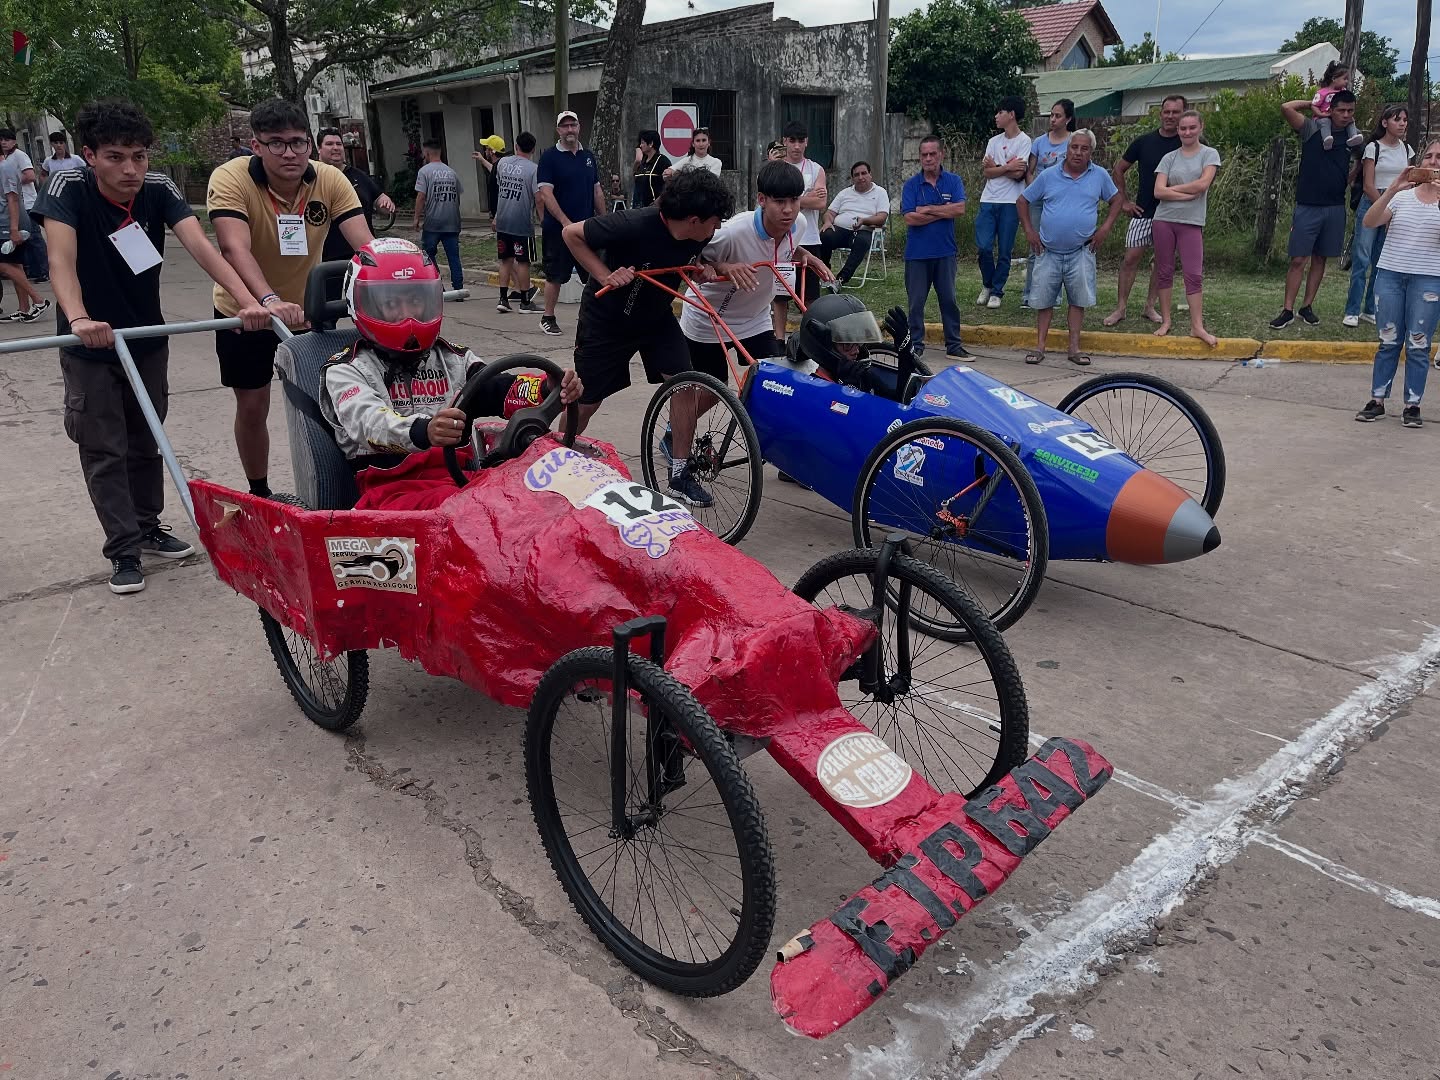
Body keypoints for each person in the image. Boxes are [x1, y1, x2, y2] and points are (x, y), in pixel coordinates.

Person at [34, 99, 271, 594]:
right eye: (116, 156)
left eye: (139, 156)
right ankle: (122, 548)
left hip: (146, 338)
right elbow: (61, 259)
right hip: (90, 344)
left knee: (147, 439)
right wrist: (78, 317)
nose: (130, 169)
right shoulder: (67, 188)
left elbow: (204, 248)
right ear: (89, 155)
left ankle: (146, 526)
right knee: (104, 447)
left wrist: (250, 302)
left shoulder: (159, 188)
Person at [322, 239, 582, 511]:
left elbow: (499, 389)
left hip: (458, 485)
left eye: (415, 301)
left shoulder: (453, 359)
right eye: (391, 303)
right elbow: (368, 423)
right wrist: (425, 431)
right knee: (493, 509)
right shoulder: (346, 370)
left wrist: (548, 387)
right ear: (362, 304)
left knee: (546, 493)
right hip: (391, 496)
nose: (407, 313)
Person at [206, 97, 371, 498]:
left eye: (298, 142)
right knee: (252, 404)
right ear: (256, 146)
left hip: (308, 312)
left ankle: (341, 488)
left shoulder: (329, 179)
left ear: (311, 145)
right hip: (246, 312)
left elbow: (366, 245)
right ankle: (259, 491)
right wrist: (265, 300)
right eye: (276, 143)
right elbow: (234, 248)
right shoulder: (231, 178)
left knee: (333, 401)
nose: (289, 152)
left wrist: (404, 277)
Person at [561, 167, 733, 506]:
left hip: (655, 317)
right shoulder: (635, 223)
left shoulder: (700, 234)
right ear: (694, 219)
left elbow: (686, 258)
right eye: (714, 222)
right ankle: (549, 453)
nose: (717, 229)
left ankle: (680, 475)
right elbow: (571, 234)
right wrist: (605, 274)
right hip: (607, 321)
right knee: (587, 401)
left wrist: (701, 269)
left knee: (684, 384)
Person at [681, 160, 832, 380]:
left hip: (754, 319)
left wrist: (806, 255)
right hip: (710, 320)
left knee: (773, 380)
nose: (788, 209)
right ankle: (677, 416)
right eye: (779, 201)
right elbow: (690, 256)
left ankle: (742, 415)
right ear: (762, 199)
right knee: (714, 388)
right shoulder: (732, 232)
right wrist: (722, 266)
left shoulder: (798, 224)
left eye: (794, 200)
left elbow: (781, 245)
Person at [1017, 129, 1124, 367]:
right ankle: (1039, 347)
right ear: (1067, 148)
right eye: (1074, 147)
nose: (1078, 152)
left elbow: (1117, 200)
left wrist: (1105, 228)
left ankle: (1074, 348)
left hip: (1081, 251)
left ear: (1091, 152)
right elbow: (1022, 200)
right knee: (1044, 301)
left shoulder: (1099, 176)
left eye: (1084, 148)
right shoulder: (1049, 175)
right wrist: (1029, 231)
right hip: (1048, 251)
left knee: (1078, 301)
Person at [1352, 148, 1440, 429]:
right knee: (1388, 339)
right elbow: (1370, 221)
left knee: (1418, 343)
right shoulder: (1401, 197)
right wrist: (1392, 188)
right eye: (1429, 157)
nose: (1433, 163)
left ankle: (1412, 405)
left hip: (1428, 279)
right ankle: (1377, 400)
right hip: (1390, 275)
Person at [1270, 89, 1357, 329]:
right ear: (1332, 110)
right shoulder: (1313, 128)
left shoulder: (1353, 138)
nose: (1346, 115)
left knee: (1320, 259)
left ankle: (1307, 306)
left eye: (1350, 111)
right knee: (1298, 259)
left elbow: (1364, 162)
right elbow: (1286, 107)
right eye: (1341, 110)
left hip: (1335, 207)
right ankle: (1287, 309)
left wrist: (1350, 176)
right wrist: (1314, 104)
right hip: (1308, 205)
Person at [1102, 95, 1185, 327]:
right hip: (1143, 212)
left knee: (1162, 261)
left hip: (1173, 214)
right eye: (1166, 111)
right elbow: (1119, 169)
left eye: (1175, 112)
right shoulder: (1144, 142)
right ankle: (1120, 308)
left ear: (1183, 114)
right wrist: (1124, 201)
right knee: (1130, 259)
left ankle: (1150, 306)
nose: (1170, 116)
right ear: (1160, 114)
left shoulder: (1188, 143)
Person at [1151, 110, 1222, 346]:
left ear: (1201, 127)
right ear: (1178, 131)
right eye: (1183, 128)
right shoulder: (1169, 158)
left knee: (1193, 274)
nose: (1187, 132)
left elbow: (1203, 185)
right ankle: (1166, 321)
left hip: (1191, 223)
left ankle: (1197, 326)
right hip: (1164, 220)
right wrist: (1184, 195)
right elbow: (1158, 191)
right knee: (1164, 270)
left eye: (1192, 127)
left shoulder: (1209, 154)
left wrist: (1174, 191)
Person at [535, 110, 604, 337]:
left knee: (593, 273)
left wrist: (604, 221)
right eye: (564, 126)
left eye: (572, 125)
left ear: (579, 126)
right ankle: (548, 317)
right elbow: (545, 194)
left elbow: (596, 191)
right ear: (558, 130)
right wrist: (565, 222)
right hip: (558, 230)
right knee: (555, 275)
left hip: (587, 229)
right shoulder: (549, 158)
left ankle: (594, 317)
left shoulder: (588, 157)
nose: (569, 130)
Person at [901, 134, 969, 361]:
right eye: (924, 155)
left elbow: (959, 210)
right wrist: (943, 210)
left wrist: (927, 210)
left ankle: (954, 345)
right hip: (917, 254)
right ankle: (916, 345)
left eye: (932, 154)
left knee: (949, 300)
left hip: (945, 252)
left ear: (941, 154)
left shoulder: (953, 181)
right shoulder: (911, 185)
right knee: (916, 303)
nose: (928, 159)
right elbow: (910, 218)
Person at [1344, 105, 1412, 328]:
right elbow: (1368, 185)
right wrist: (1382, 208)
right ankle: (1352, 310)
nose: (1402, 123)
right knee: (1362, 258)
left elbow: (1408, 181)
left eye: (1404, 120)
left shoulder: (1407, 150)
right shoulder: (1373, 148)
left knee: (1381, 261)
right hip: (1374, 202)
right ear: (1385, 123)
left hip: (1396, 206)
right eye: (1397, 119)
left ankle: (1370, 308)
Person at [974, 95, 1031, 310]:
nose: (996, 116)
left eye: (1000, 112)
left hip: (1011, 202)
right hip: (988, 199)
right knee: (984, 247)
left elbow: (1019, 174)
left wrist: (998, 167)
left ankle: (997, 291)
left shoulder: (1024, 141)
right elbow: (987, 173)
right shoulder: (993, 141)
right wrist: (1007, 166)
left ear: (1012, 115)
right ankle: (988, 284)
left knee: (1005, 250)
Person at [317, 127, 396, 268]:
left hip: (361, 256)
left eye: (338, 144)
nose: (335, 148)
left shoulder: (359, 175)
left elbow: (379, 200)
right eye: (329, 144)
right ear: (318, 148)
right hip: (325, 259)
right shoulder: (312, 177)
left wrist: (384, 202)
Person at [1023, 99, 1074, 309]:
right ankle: (1029, 295)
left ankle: (1056, 296)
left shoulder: (1073, 142)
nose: (1053, 119)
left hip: (1062, 201)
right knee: (1036, 246)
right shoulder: (1039, 142)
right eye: (1051, 115)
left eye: (1058, 116)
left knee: (1059, 247)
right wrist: (1036, 191)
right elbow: (1029, 170)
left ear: (1068, 119)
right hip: (1038, 200)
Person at [774, 120, 827, 306]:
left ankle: (809, 333)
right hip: (782, 239)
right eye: (792, 140)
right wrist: (806, 197)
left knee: (810, 297)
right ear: (784, 141)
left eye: (800, 141)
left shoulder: (816, 169)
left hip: (810, 239)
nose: (796, 146)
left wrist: (788, 198)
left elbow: (820, 202)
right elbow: (771, 203)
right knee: (780, 297)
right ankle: (780, 336)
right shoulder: (777, 169)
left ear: (807, 142)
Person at [818, 161, 889, 287]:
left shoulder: (880, 192)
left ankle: (840, 279)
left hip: (864, 230)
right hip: (841, 230)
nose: (860, 177)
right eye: (856, 175)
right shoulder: (845, 193)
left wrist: (864, 221)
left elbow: (882, 218)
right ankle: (825, 274)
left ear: (870, 175)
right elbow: (829, 213)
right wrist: (828, 222)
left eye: (864, 173)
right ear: (852, 178)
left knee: (862, 241)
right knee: (825, 235)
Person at [494, 131, 541, 314]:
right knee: (523, 261)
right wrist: (542, 218)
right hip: (522, 223)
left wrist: (497, 215)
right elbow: (538, 198)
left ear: (516, 146)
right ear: (534, 149)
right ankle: (525, 301)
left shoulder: (502, 164)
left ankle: (503, 299)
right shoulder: (533, 169)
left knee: (505, 260)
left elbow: (500, 188)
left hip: (503, 219)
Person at [0, 152, 47, 322]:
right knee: (14, 265)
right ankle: (24, 308)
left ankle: (39, 300)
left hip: (9, 224)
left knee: (4, 265)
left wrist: (13, 229)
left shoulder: (5, 168)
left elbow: (12, 198)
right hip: (7, 223)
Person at [413, 139, 464, 293]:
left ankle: (437, 286)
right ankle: (458, 288)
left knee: (428, 255)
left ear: (427, 153)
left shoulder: (424, 172)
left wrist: (416, 218)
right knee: (454, 257)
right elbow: (458, 197)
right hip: (452, 222)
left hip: (433, 223)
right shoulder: (451, 172)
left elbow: (421, 196)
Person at [0, 128, 48, 282]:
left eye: (7, 140)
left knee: (34, 238)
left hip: (27, 202)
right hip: (15, 205)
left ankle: (43, 271)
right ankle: (31, 270)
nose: (3, 142)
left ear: (14, 141)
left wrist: (10, 181)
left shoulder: (19, 156)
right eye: (1, 140)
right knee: (22, 242)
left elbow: (31, 176)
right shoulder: (6, 158)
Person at [1310, 62, 1365, 151]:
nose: (1347, 81)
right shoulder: (1322, 92)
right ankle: (1327, 139)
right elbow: (1314, 105)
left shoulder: (1343, 92)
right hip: (1324, 117)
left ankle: (1353, 136)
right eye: (1345, 79)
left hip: (1336, 119)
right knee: (1325, 122)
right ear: (1334, 78)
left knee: (1351, 121)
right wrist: (1321, 114)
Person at [471, 134, 506, 226]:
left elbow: (503, 194)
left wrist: (497, 217)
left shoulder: (501, 166)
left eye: (487, 148)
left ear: (491, 152)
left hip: (502, 217)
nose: (485, 150)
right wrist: (482, 159)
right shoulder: (500, 166)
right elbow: (494, 170)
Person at [632, 130, 669, 208]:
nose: (640, 146)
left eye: (642, 143)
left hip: (654, 209)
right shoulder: (642, 162)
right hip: (638, 209)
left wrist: (658, 202)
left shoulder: (662, 161)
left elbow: (669, 186)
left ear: (651, 144)